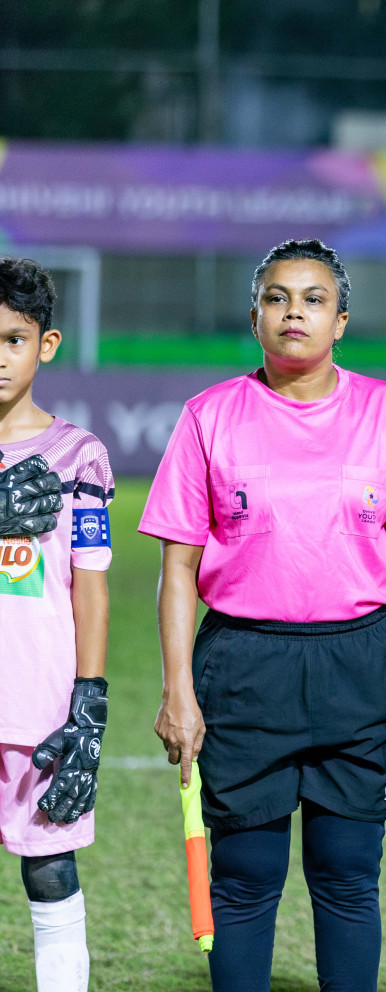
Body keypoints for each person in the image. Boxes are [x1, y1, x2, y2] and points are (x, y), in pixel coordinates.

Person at [142, 239, 386, 992]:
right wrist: (178, 690)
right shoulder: (209, 417)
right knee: (246, 878)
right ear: (255, 316)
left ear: (341, 320)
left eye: (314, 299)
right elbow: (178, 569)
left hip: (362, 666)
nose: (295, 313)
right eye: (278, 298)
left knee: (348, 874)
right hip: (245, 666)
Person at [0, 258, 111, 992]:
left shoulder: (79, 455)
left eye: (12, 338)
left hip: (33, 708)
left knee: (49, 870)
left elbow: (90, 589)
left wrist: (89, 702)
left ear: (46, 344)